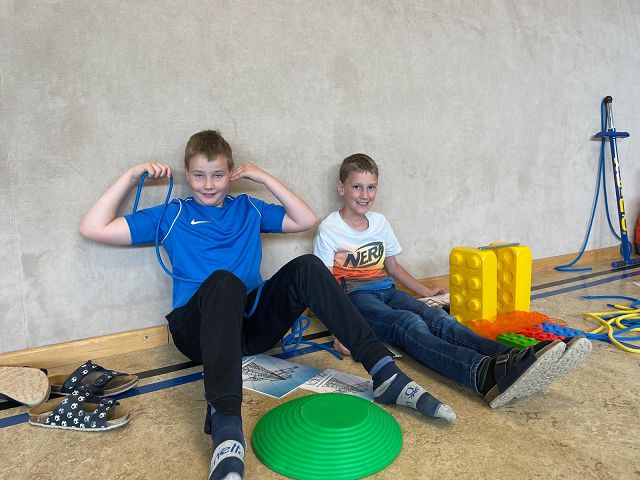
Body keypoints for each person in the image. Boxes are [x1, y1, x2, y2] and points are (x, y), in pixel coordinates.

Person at [78, 131, 456, 480]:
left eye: (218, 175)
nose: (208, 185)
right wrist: (131, 175)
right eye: (199, 176)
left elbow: (305, 219)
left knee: (308, 266)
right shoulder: (172, 213)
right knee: (224, 281)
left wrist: (262, 177)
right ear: (187, 175)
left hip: (250, 327)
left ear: (231, 174)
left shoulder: (248, 208)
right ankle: (226, 426)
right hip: (197, 334)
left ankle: (385, 374)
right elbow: (93, 227)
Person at [313, 153, 592, 410]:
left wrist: (425, 291)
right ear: (342, 188)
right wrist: (341, 331)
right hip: (355, 300)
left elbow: (393, 267)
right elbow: (324, 287)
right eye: (357, 187)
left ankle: (515, 357)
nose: (365, 195)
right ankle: (480, 373)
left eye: (371, 187)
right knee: (407, 323)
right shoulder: (329, 229)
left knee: (436, 317)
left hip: (386, 290)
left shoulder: (380, 222)